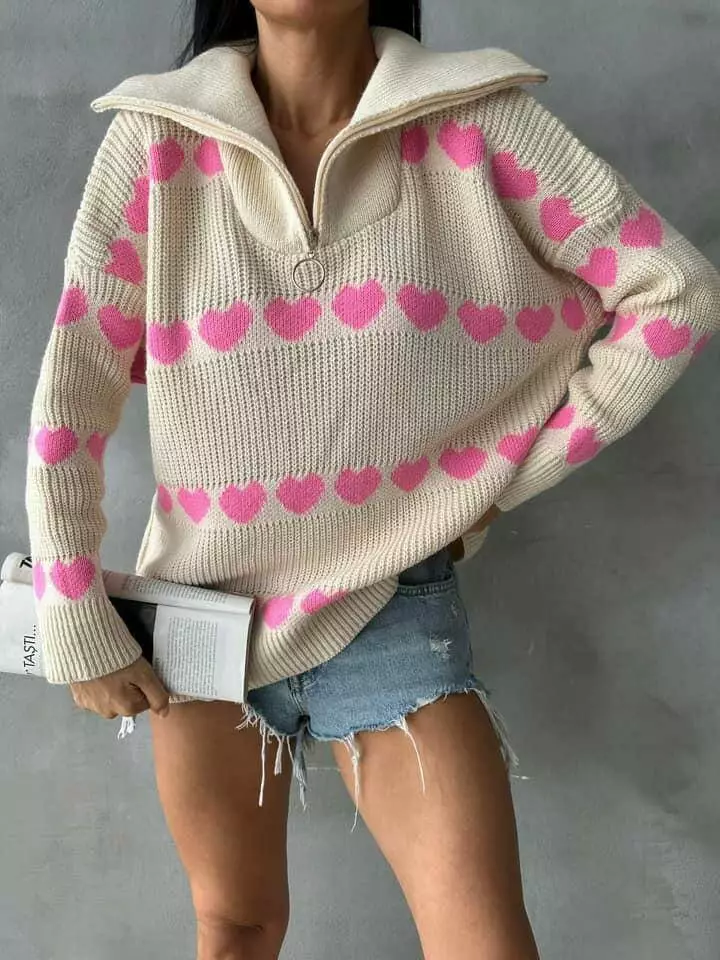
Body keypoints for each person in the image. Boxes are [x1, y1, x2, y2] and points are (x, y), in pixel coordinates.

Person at [24, 0, 720, 957]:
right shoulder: (155, 139)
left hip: (390, 609)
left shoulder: (478, 120)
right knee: (234, 931)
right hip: (197, 624)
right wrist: (70, 608)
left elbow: (676, 294)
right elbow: (74, 386)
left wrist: (498, 482)